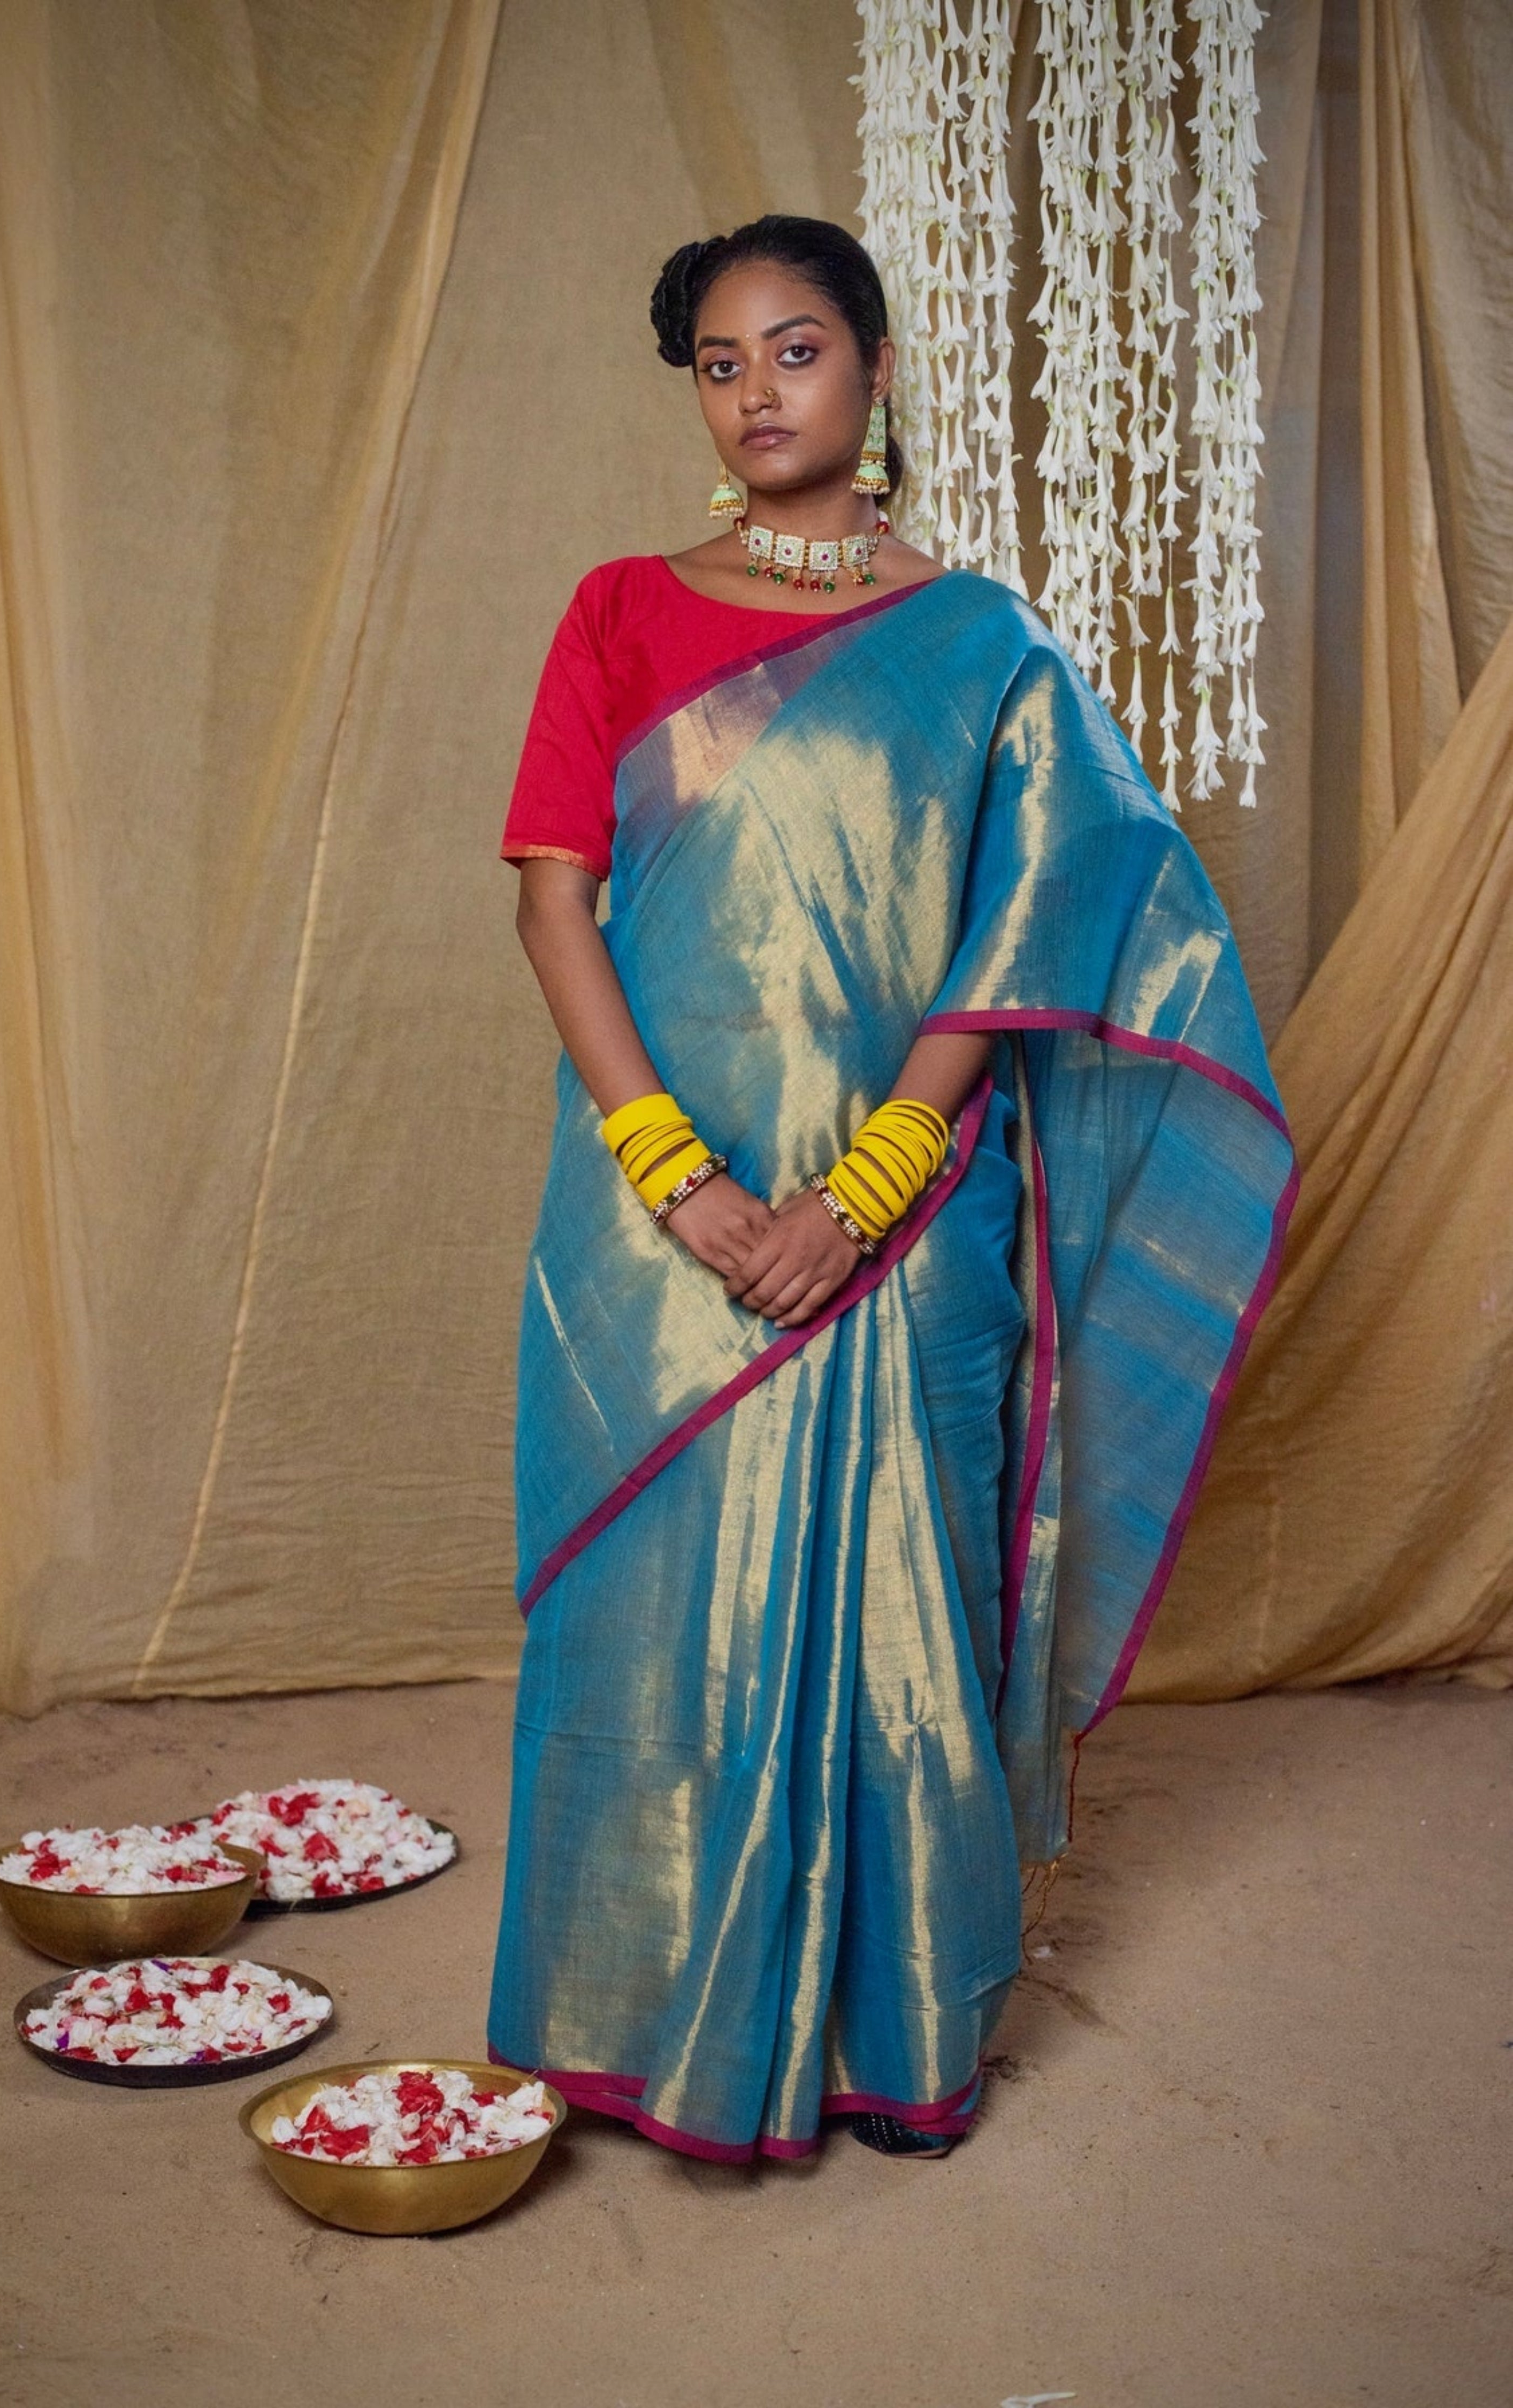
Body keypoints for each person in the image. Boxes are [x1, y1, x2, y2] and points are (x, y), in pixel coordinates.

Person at [487, 215, 1296, 2165]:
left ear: (873, 370)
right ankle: (646, 2024)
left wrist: (871, 1181)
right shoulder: (617, 612)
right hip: (657, 1210)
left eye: (796, 350)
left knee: (906, 1620)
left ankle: (881, 2035)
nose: (758, 391)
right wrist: (676, 1172)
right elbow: (551, 898)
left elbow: (1032, 931)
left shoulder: (990, 645)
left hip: (908, 1220)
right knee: (650, 1620)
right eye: (720, 360)